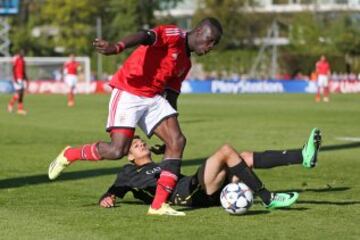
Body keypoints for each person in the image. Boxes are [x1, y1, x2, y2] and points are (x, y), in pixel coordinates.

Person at [48, 17, 223, 215]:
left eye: (214, 44)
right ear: (199, 31)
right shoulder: (174, 35)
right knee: (117, 151)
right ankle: (69, 154)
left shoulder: (185, 63)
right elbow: (145, 35)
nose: (211, 46)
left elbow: (171, 95)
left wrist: (169, 133)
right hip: (129, 91)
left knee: (177, 141)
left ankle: (158, 206)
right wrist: (117, 47)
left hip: (153, 98)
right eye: (210, 40)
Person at [98, 128, 322, 216]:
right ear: (128, 156)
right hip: (186, 194)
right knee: (225, 151)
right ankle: (267, 197)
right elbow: (113, 192)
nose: (140, 144)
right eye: (134, 145)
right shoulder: (127, 172)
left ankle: (302, 156)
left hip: (197, 188)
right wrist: (107, 198)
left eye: (140, 141)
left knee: (242, 157)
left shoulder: (160, 163)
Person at [7, 50, 28, 115]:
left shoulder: (23, 61)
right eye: (22, 53)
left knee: (21, 94)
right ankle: (10, 105)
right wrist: (15, 78)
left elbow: (23, 70)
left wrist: (26, 77)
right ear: (19, 53)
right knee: (19, 93)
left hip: (21, 78)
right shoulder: (17, 59)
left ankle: (19, 109)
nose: (23, 54)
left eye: (24, 53)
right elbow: (13, 68)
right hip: (17, 78)